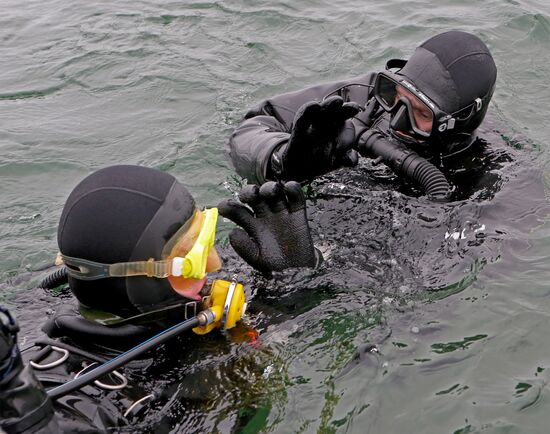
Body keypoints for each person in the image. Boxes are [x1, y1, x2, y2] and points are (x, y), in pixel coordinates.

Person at [1, 164, 320, 433]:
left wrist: (294, 281)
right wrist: (27, 412)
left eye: (204, 236)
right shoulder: (106, 402)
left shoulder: (184, 304)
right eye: (190, 256)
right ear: (141, 283)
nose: (214, 263)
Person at [227, 30, 498, 200]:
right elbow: (254, 125)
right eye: (399, 97)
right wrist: (281, 158)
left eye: (420, 113)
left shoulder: (487, 173)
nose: (397, 119)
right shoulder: (363, 99)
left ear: (455, 122)